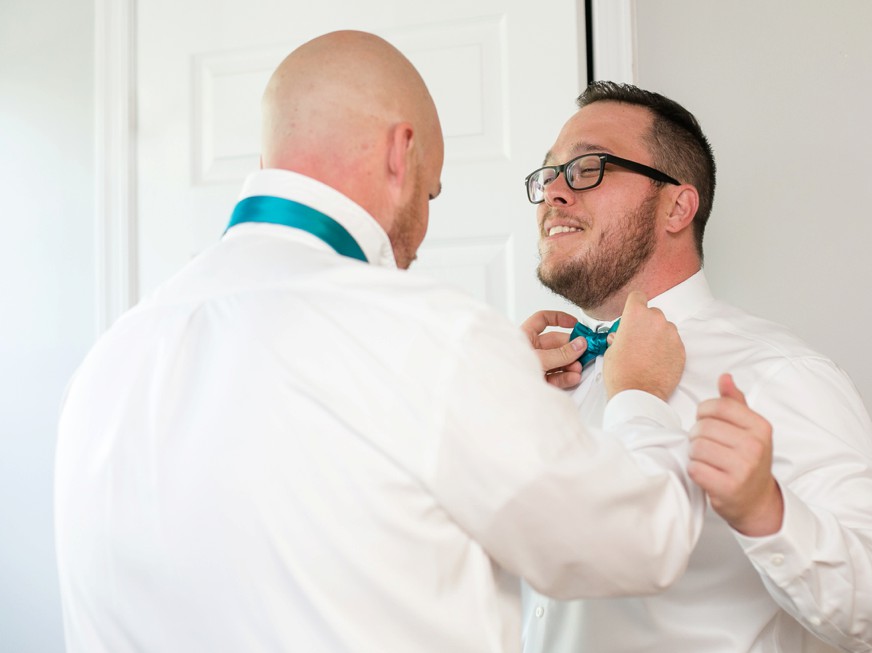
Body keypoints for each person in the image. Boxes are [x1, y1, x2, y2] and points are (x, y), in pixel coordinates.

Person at [53, 33, 705, 653]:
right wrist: (640, 396)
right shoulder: (432, 338)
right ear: (402, 153)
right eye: (431, 191)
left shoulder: (110, 358)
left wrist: (496, 388)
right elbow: (643, 540)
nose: (420, 238)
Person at [520, 81, 872, 653]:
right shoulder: (539, 376)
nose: (552, 194)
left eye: (587, 167)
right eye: (547, 174)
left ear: (678, 206)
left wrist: (767, 511)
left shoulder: (782, 374)